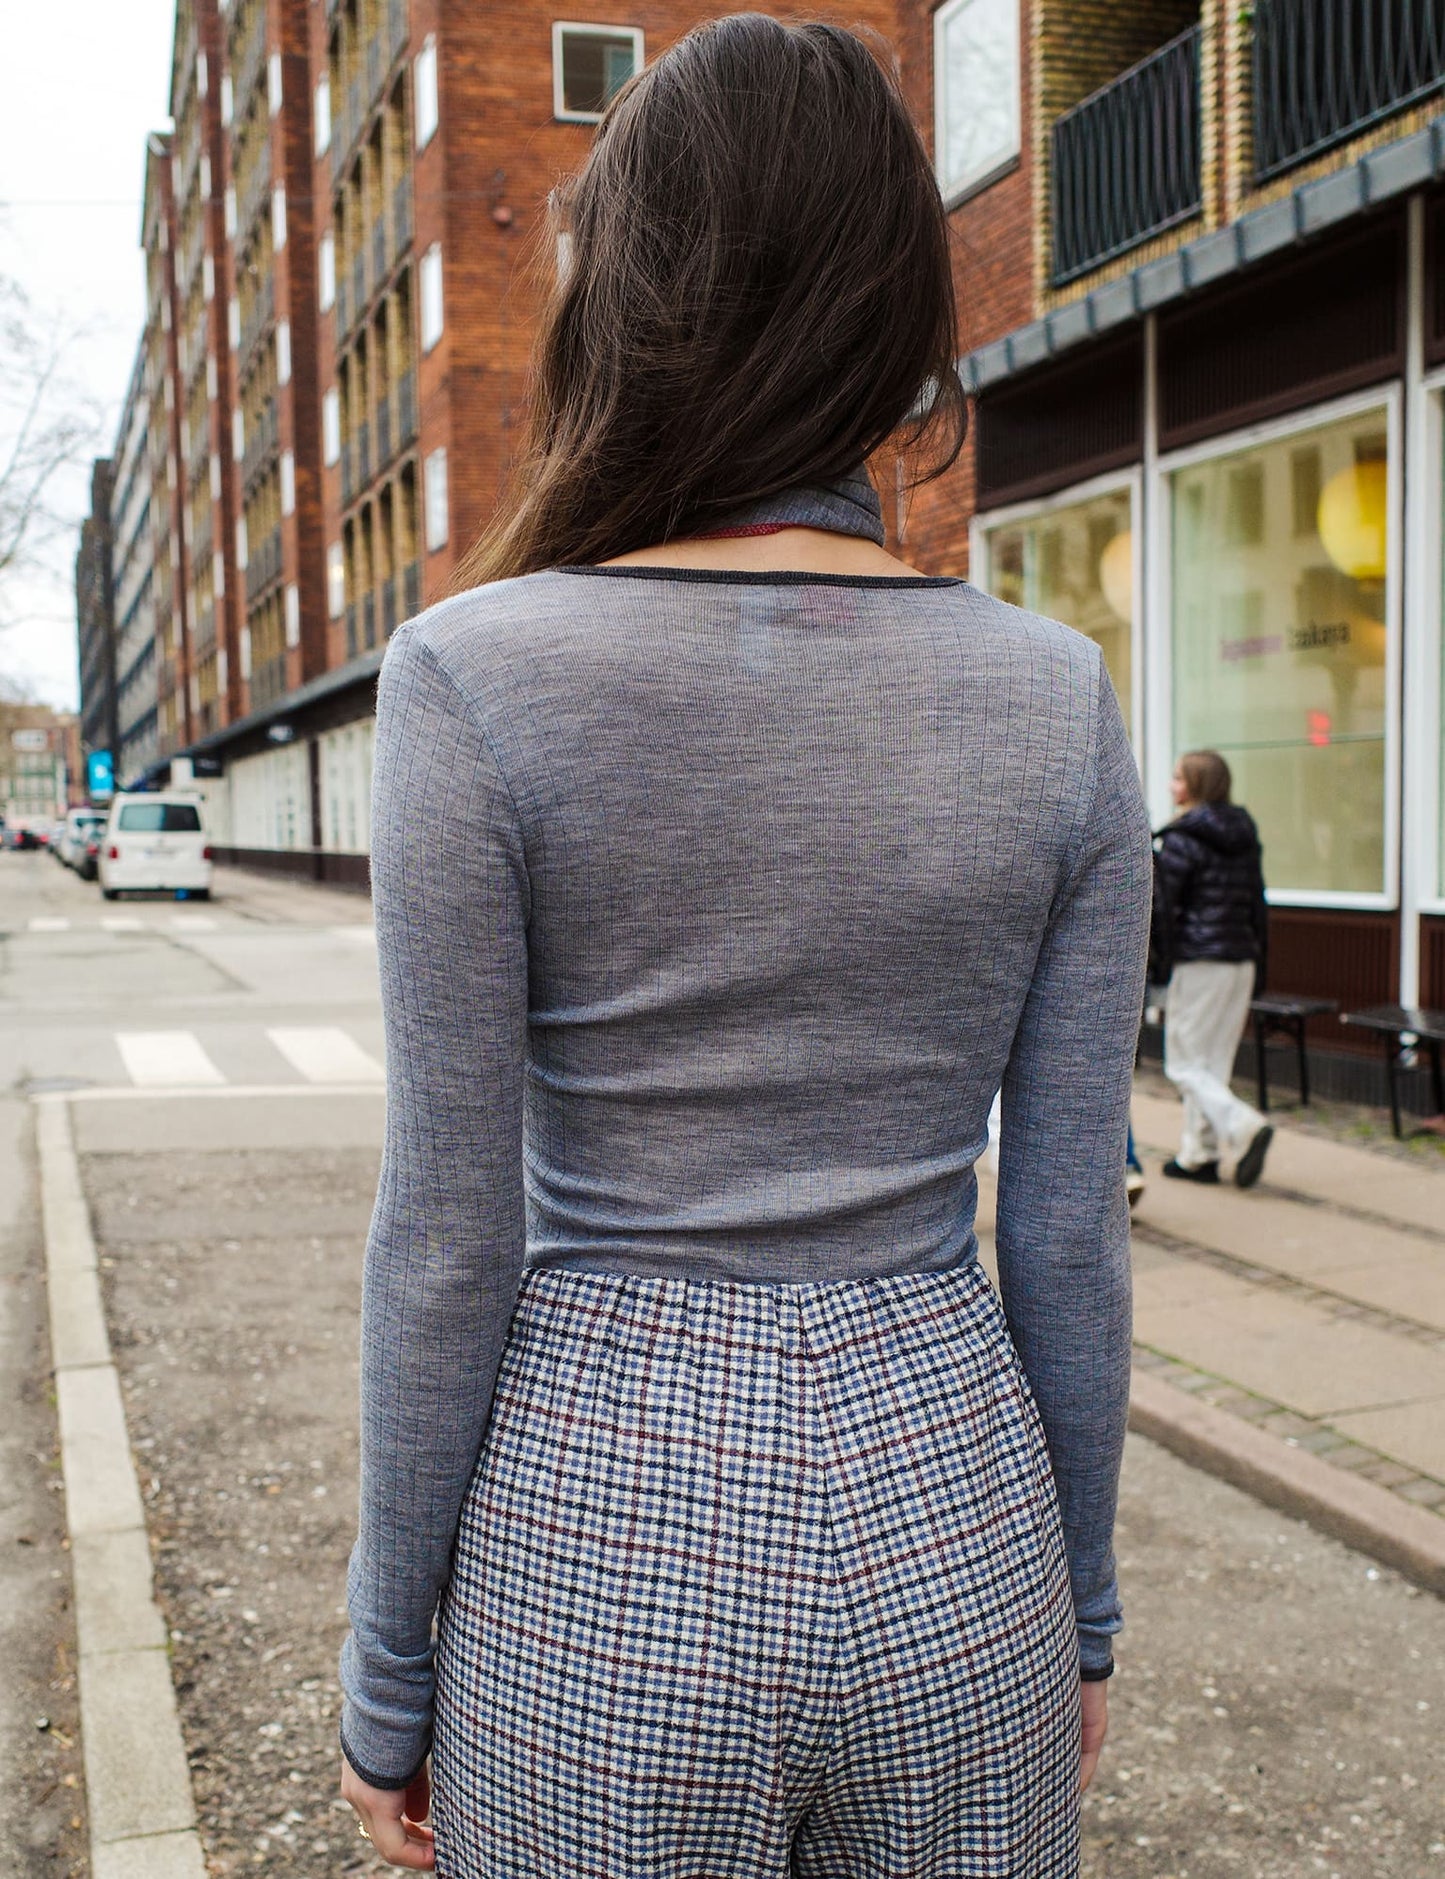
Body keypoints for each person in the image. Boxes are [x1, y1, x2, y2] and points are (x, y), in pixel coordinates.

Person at [337, 17, 1153, 1875]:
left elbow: (447, 1235)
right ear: (896, 306)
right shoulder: (1055, 696)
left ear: (619, 299)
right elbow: (1063, 1228)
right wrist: (1083, 1608)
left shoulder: (471, 676)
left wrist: (390, 1668)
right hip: (957, 1518)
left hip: (598, 1532)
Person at [1153, 749, 1272, 1189]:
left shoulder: (1182, 838)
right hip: (1240, 959)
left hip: (1199, 960)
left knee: (1184, 1064)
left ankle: (1242, 1124)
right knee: (1212, 1065)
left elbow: (1163, 910)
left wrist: (1159, 964)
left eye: (1178, 778)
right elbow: (1258, 903)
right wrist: (1260, 963)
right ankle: (1198, 1155)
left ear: (1197, 785)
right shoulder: (1244, 832)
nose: (1172, 786)